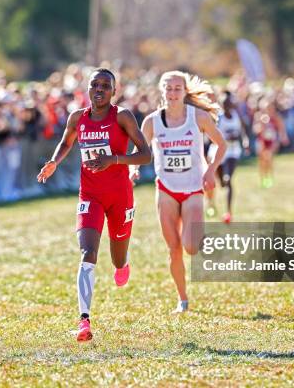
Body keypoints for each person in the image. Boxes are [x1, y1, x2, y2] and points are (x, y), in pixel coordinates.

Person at [37, 68, 151, 342]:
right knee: (88, 252)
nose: (99, 89)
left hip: (120, 195)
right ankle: (84, 320)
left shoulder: (122, 116)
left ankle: (122, 265)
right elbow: (66, 142)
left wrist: (114, 160)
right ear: (87, 89)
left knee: (117, 257)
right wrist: (54, 161)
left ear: (114, 91)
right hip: (90, 194)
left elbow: (145, 155)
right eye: (94, 85)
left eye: (105, 86)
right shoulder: (78, 117)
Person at [130, 71, 226, 313]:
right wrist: (133, 169)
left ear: (184, 92)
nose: (173, 93)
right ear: (162, 91)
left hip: (193, 186)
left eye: (177, 88)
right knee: (173, 248)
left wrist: (211, 170)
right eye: (169, 89)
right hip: (166, 189)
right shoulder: (152, 121)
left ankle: (195, 235)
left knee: (191, 247)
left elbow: (221, 144)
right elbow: (139, 151)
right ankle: (182, 300)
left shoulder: (199, 117)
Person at [206, 91, 249, 223]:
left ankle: (229, 212)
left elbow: (242, 131)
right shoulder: (219, 118)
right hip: (218, 152)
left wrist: (245, 141)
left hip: (233, 151)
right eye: (225, 104)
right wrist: (225, 138)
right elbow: (212, 136)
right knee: (219, 182)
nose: (228, 106)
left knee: (228, 179)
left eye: (229, 103)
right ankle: (211, 203)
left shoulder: (237, 116)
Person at [252, 97, 288, 188]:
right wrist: (261, 125)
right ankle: (263, 178)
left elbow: (281, 129)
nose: (268, 110)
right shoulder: (258, 116)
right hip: (262, 141)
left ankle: (269, 178)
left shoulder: (276, 117)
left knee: (269, 158)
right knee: (262, 161)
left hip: (272, 141)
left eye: (270, 107)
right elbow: (255, 130)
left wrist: (283, 138)